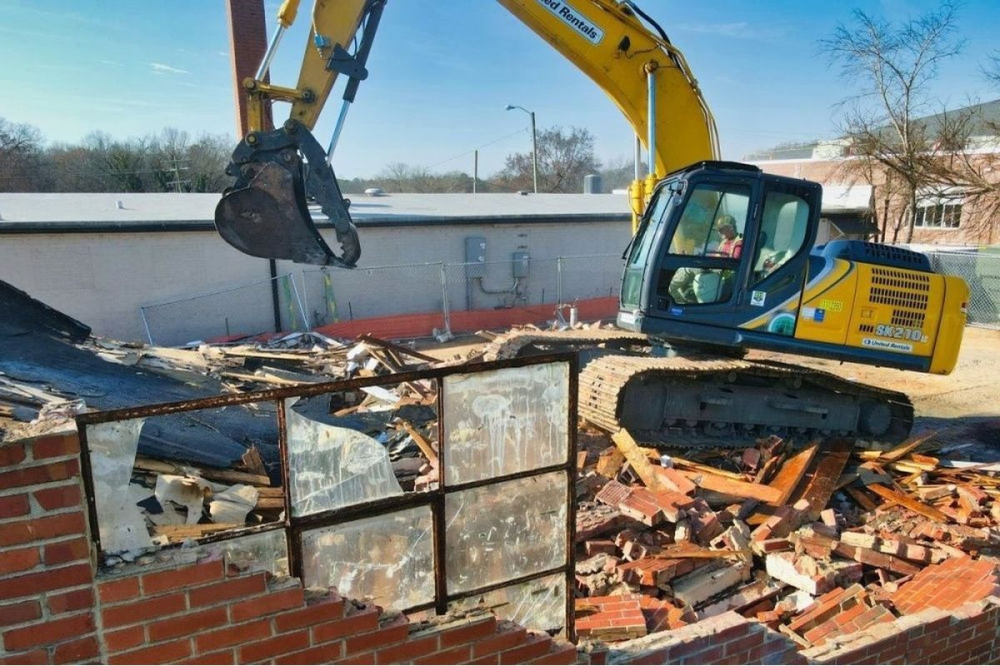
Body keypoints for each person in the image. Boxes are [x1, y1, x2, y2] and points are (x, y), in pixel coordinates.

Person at [668, 214, 742, 304]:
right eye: (718, 230)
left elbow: (733, 263)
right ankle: (683, 299)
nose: (719, 232)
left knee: (687, 268)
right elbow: (715, 257)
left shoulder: (738, 243)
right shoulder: (724, 242)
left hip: (723, 274)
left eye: (721, 230)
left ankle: (670, 289)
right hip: (714, 268)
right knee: (688, 262)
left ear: (730, 227)